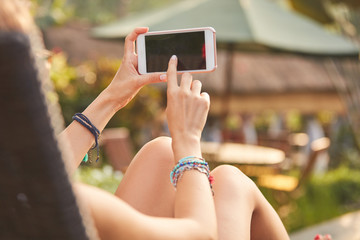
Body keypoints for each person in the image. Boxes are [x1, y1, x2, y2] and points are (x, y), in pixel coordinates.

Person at [1, 1, 291, 239]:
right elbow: (201, 235)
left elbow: (40, 171)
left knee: (161, 151)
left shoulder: (17, 192)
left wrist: (114, 96)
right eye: (39, 62)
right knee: (230, 183)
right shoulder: (78, 205)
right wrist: (188, 142)